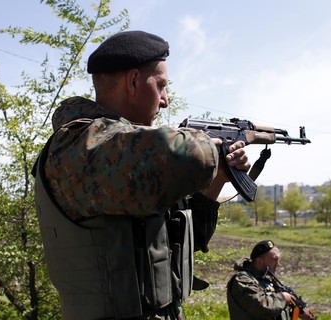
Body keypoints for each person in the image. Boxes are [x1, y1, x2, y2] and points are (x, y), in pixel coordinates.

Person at [32, 30, 250, 319]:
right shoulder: (81, 146)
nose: (165, 100)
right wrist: (211, 146)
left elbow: (180, 241)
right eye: (161, 86)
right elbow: (193, 155)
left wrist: (220, 175)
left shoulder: (132, 165)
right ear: (133, 82)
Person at [227, 240, 316, 320]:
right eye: (275, 259)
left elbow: (276, 308)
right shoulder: (242, 280)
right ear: (259, 261)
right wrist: (284, 298)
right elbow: (259, 307)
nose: (278, 264)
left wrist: (296, 311)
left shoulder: (267, 279)